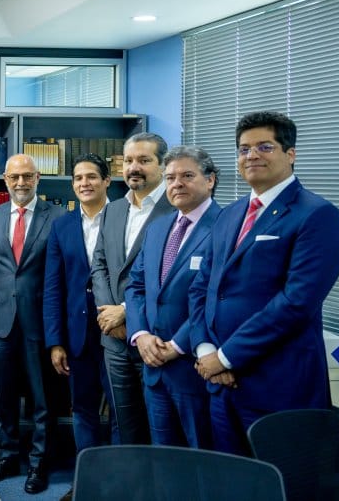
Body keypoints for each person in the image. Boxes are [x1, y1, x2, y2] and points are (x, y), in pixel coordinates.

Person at [189, 112, 339, 455]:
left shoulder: (317, 215)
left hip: (278, 385)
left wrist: (227, 357)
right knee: (232, 477)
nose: (252, 155)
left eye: (264, 146)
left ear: (290, 154)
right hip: (220, 385)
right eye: (244, 149)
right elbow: (203, 287)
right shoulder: (229, 214)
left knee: (283, 478)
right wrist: (205, 350)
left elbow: (296, 302)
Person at [0, 154, 58, 495]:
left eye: (26, 176)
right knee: (4, 396)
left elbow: (60, 276)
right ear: (5, 180)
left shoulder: (58, 217)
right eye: (14, 177)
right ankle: (8, 456)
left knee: (42, 399)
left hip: (39, 321)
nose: (20, 183)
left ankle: (39, 462)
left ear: (37, 178)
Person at [126, 146, 219, 449]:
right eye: (170, 178)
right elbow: (136, 286)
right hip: (154, 366)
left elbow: (216, 298)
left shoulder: (225, 227)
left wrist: (177, 345)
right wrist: (140, 335)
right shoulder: (158, 227)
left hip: (195, 368)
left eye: (187, 176)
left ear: (210, 180)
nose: (177, 184)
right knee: (164, 460)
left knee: (202, 460)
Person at [90, 132, 173, 444]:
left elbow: (170, 275)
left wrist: (125, 312)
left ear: (162, 165)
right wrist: (109, 315)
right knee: (125, 427)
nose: (133, 167)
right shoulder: (113, 210)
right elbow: (99, 264)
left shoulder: (175, 208)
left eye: (144, 160)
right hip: (113, 339)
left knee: (160, 429)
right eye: (128, 160)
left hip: (154, 338)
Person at [43, 153, 114, 501]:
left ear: (106, 181)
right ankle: (86, 483)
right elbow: (53, 285)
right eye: (78, 178)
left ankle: (118, 484)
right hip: (77, 334)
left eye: (91, 177)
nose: (84, 183)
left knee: (121, 411)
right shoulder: (63, 225)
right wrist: (55, 341)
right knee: (83, 410)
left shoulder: (123, 217)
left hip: (117, 332)